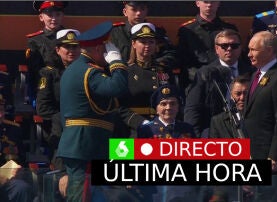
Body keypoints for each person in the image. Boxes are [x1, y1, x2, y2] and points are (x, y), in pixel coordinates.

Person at [56, 21, 128, 202]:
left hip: (84, 143)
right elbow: (117, 87)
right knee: (82, 196)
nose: (106, 54)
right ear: (97, 48)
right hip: (85, 144)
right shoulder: (89, 71)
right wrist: (117, 62)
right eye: (105, 49)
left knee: (89, 195)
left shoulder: (76, 69)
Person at [243, 31, 277, 201]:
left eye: (254, 50)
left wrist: (274, 155)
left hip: (268, 157)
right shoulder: (256, 75)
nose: (249, 54)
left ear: (270, 50)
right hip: (252, 152)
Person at [185, 29, 252, 137]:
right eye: (224, 46)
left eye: (234, 46)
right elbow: (193, 108)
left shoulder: (251, 72)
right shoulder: (205, 73)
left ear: (240, 48)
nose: (229, 49)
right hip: (214, 130)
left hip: (246, 129)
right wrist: (194, 137)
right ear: (216, 49)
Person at [138, 85, 196, 202]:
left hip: (182, 189)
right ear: (157, 108)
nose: (169, 107)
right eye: (163, 104)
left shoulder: (187, 129)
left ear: (178, 107)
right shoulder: (146, 129)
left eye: (173, 103)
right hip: (155, 189)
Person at [36, 29, 81, 168]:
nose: (71, 50)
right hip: (61, 128)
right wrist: (64, 118)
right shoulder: (49, 74)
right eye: (67, 47)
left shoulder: (90, 72)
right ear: (57, 50)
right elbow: (43, 108)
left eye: (75, 46)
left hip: (87, 125)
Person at [123, 22, 176, 132]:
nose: (147, 45)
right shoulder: (125, 71)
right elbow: (118, 106)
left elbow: (174, 98)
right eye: (142, 42)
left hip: (161, 128)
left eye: (151, 42)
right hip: (131, 129)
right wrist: (140, 122)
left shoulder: (163, 69)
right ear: (133, 44)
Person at [177, 1, 238, 89]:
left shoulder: (229, 28)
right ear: (197, 3)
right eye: (205, 1)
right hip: (195, 81)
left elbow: (236, 56)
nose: (209, 5)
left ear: (218, 3)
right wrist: (200, 75)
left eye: (213, 1)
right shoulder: (186, 30)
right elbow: (183, 60)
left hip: (224, 79)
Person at [25, 1, 68, 105]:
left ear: (62, 16)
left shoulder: (71, 36)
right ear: (41, 17)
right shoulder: (35, 40)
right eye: (49, 15)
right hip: (46, 85)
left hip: (68, 83)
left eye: (58, 14)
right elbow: (34, 70)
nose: (54, 18)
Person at [110, 1, 176, 67]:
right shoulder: (116, 32)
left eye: (142, 9)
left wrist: (152, 64)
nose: (139, 13)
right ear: (125, 12)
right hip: (125, 73)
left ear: (146, 11)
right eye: (134, 9)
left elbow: (170, 55)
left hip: (152, 73)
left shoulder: (156, 31)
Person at [0, 94, 34, 202]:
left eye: (1, 109)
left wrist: (19, 170)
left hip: (10, 180)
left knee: (22, 188)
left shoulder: (14, 130)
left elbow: (22, 158)